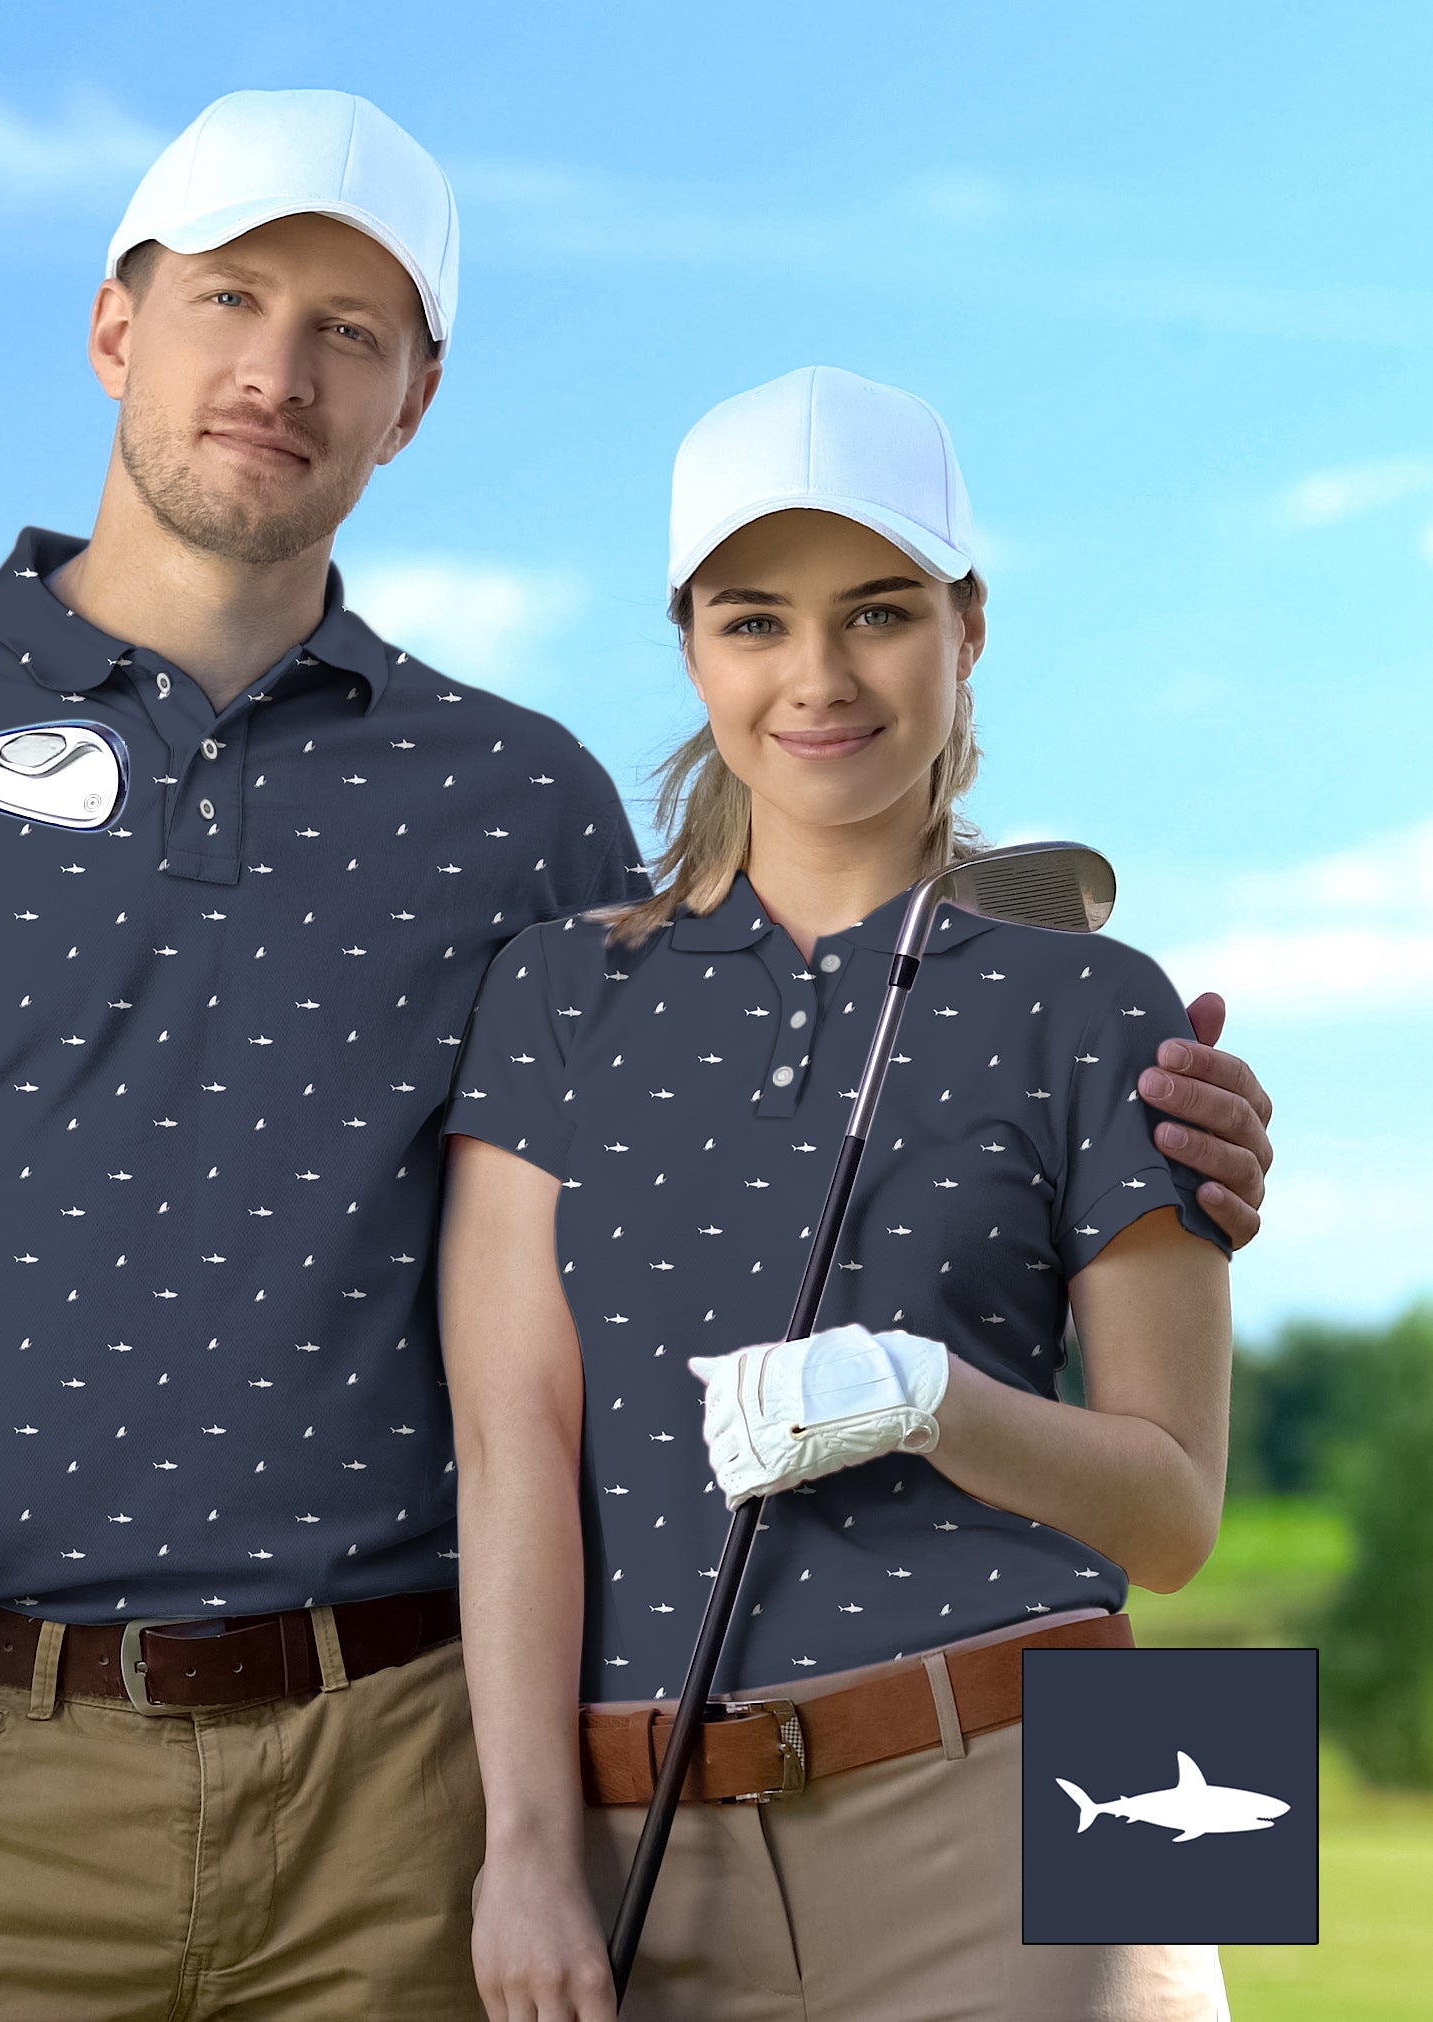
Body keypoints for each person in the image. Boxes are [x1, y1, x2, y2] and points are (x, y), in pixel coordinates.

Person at [0, 87, 1273, 2019]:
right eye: (227, 300)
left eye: (347, 331)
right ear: (115, 324)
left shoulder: (514, 800)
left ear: (416, 397)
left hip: (412, 1774)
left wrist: (1114, 1086)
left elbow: (770, 1106)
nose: (276, 371)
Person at [440, 367, 1245, 2020]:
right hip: (648, 1826)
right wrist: (521, 1843)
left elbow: (1171, 1523)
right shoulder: (552, 997)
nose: (816, 676)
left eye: (877, 611)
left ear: (965, 627)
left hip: (1073, 1762)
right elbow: (512, 1442)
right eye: (754, 621)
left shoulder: (1099, 998)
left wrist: (924, 1397)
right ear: (688, 647)